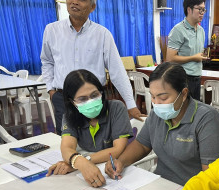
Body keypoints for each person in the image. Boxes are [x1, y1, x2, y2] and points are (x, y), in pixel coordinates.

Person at [106, 62, 219, 186]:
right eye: (153, 97)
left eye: (163, 98)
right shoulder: (156, 115)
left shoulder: (207, 120)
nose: (157, 103)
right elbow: (142, 145)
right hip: (161, 184)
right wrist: (120, 161)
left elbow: (211, 179)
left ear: (184, 94)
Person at [40, 0, 144, 135]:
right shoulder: (51, 30)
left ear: (92, 7)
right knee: (67, 143)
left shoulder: (102, 34)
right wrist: (51, 91)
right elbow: (47, 61)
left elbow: (116, 70)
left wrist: (131, 104)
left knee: (99, 141)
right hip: (63, 98)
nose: (74, 2)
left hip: (93, 100)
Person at [46, 69, 133, 188]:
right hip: (88, 171)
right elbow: (67, 147)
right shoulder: (69, 116)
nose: (91, 101)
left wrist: (80, 162)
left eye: (94, 95)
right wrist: (80, 163)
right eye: (82, 99)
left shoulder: (116, 108)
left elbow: (118, 149)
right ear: (72, 102)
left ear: (101, 92)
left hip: (114, 168)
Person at [166, 0, 207, 100]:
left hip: (197, 77)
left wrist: (201, 57)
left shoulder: (201, 31)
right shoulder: (178, 30)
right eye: (199, 9)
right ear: (189, 9)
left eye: (204, 10)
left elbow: (197, 54)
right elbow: (170, 58)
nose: (202, 13)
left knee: (194, 111)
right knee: (183, 112)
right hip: (183, 78)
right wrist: (194, 58)